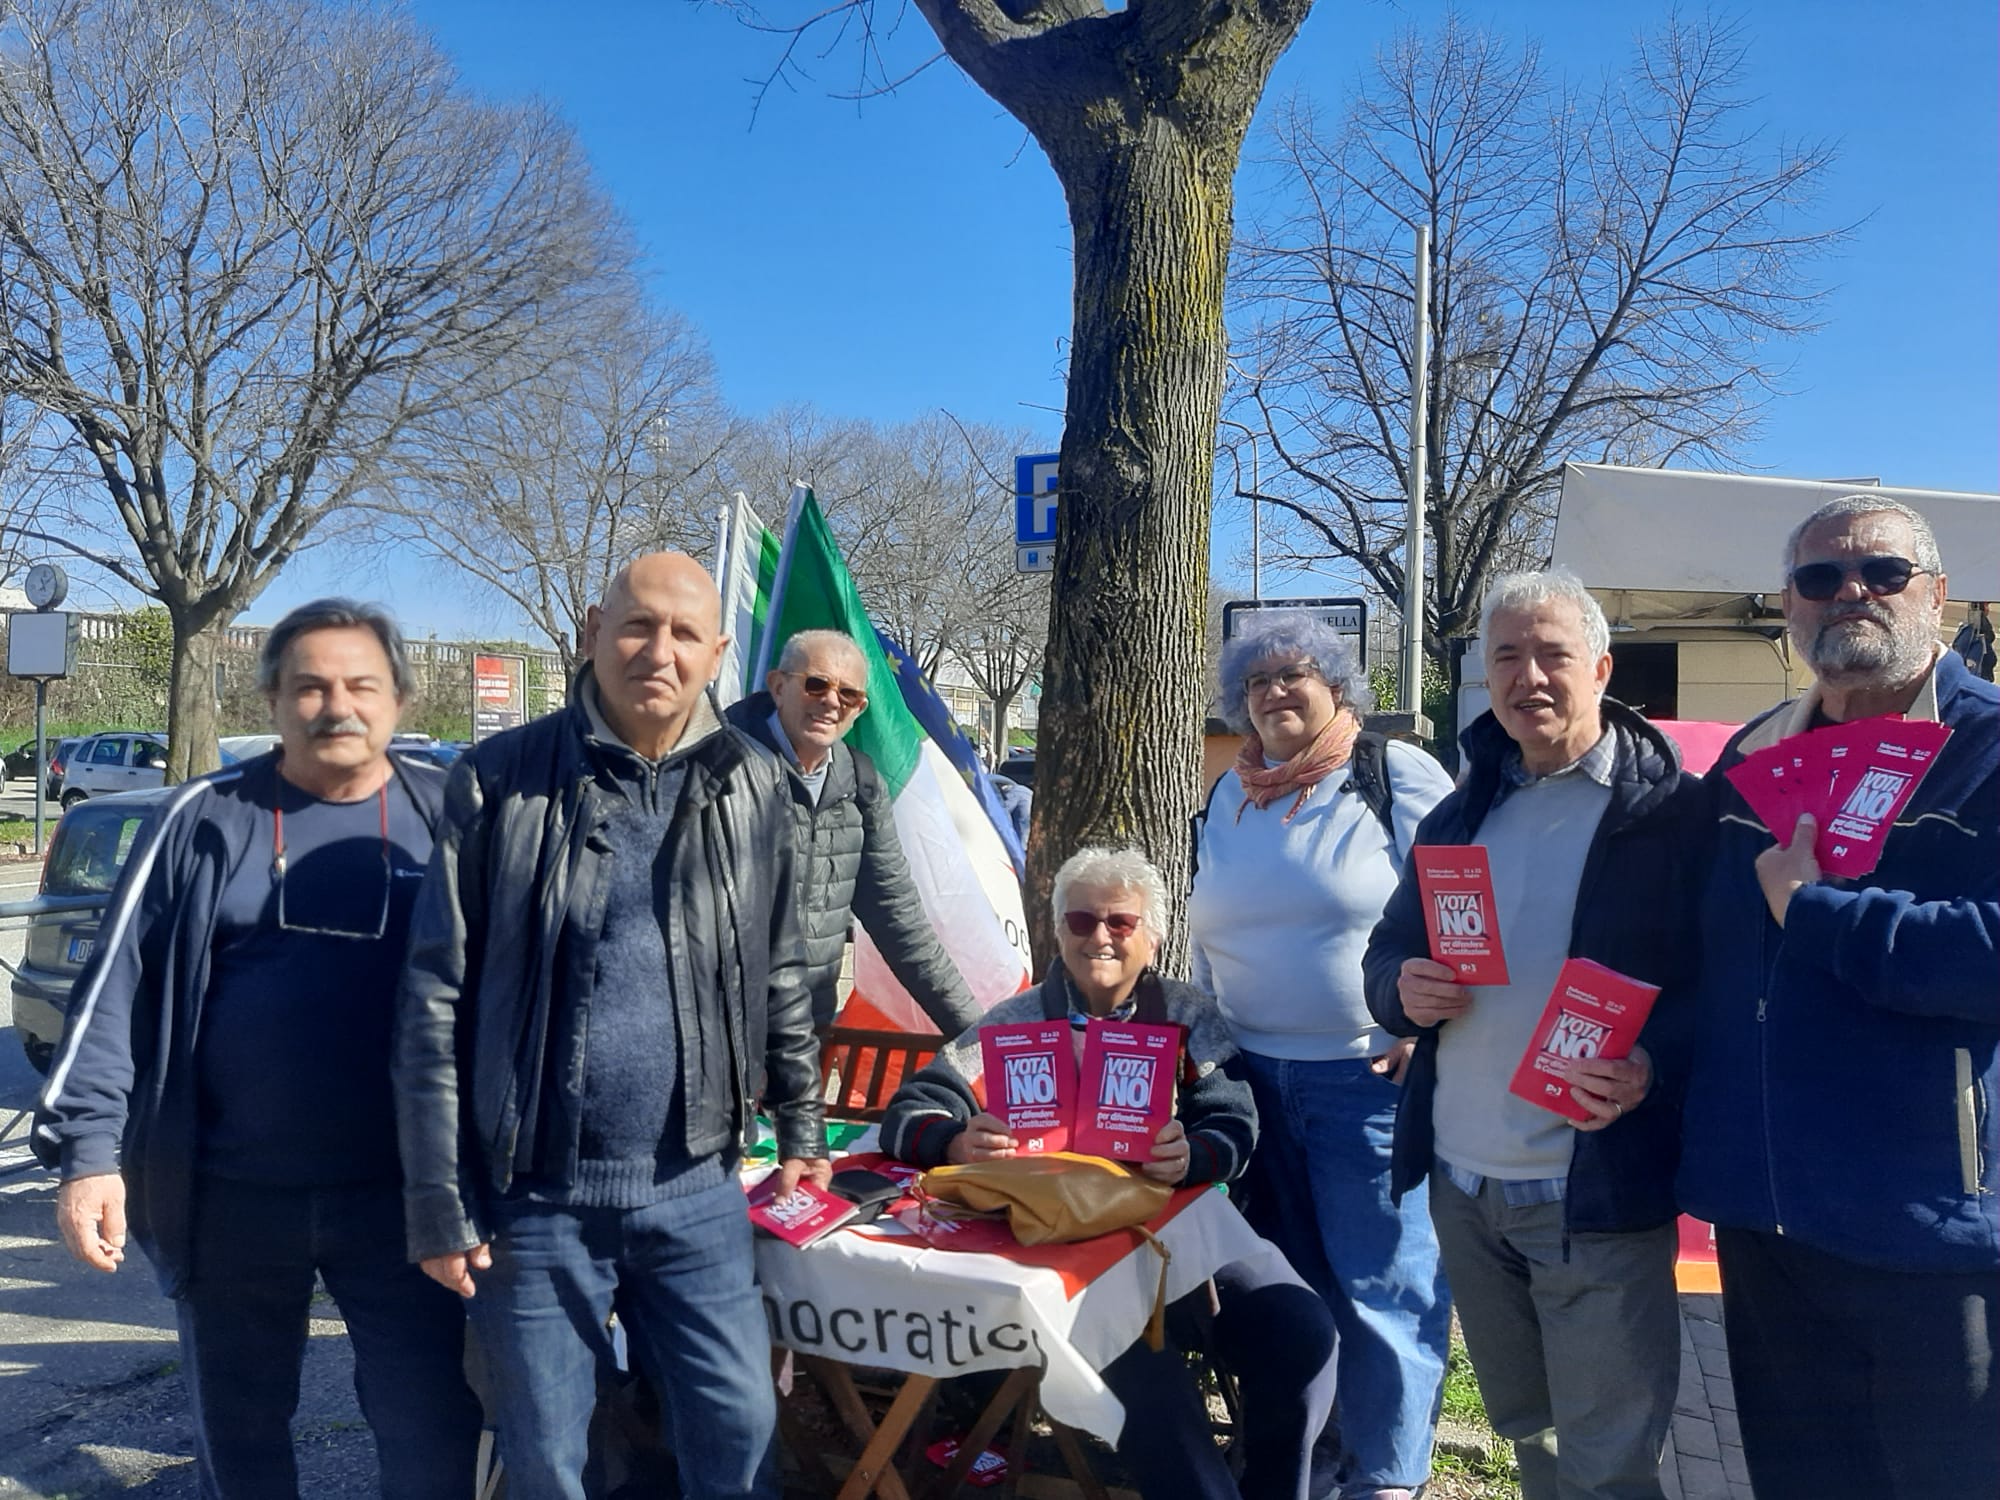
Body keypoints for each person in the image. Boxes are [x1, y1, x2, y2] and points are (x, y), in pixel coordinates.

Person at [393, 552, 828, 1500]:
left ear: (717, 654)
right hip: (537, 1196)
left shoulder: (756, 786)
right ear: (594, 629)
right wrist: (438, 1196)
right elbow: (434, 997)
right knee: (549, 1459)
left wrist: (801, 1124)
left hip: (698, 1187)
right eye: (636, 625)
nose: (656, 651)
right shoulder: (501, 779)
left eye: (683, 634)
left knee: (743, 1431)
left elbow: (783, 968)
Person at [34, 599, 482, 1499]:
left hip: (410, 1203)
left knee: (433, 1433)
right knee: (240, 1443)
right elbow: (109, 993)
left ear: (398, 697)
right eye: (309, 685)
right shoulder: (203, 819)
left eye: (361, 684)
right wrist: (88, 1156)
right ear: (272, 698)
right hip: (230, 1198)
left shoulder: (456, 816)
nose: (337, 705)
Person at [1678, 496, 1999, 1496]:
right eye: (1819, 578)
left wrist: (1822, 916)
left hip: (1928, 1229)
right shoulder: (1747, 757)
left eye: (1882, 572)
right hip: (1766, 1223)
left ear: (1937, 596)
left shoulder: (1986, 750)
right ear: (1787, 604)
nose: (1849, 593)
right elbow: (1702, 955)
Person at [1362, 569, 1706, 1500]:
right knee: (1532, 1434)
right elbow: (1388, 950)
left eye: (1553, 653)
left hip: (1592, 1194)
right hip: (1464, 1189)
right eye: (1506, 655)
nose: (1530, 676)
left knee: (1607, 1457)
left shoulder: (1676, 816)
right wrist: (1402, 987)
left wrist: (1652, 1068)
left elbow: (1726, 991)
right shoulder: (1461, 810)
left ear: (1601, 667)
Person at [882, 845, 1338, 1500]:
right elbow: (912, 1108)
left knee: (1300, 1331)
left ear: (1150, 935)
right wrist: (955, 1140)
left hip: (1190, 1243)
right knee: (1150, 1388)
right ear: (1057, 930)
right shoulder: (1014, 1021)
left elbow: (1236, 1124)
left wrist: (1195, 1155)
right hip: (1069, 1261)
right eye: (1080, 921)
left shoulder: (1187, 1015)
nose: (1100, 936)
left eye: (1120, 923)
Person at [1188, 611, 1455, 1500]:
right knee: (1301, 1293)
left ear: (1336, 684)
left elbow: (1457, 900)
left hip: (1366, 1080)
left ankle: (1387, 1475)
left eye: (1293, 674)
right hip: (1254, 1082)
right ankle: (1323, 1451)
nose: (1273, 693)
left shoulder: (1390, 774)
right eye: (1256, 682)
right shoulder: (1232, 793)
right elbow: (1204, 930)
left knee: (1386, 1287)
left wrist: (1422, 1023)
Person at [725, 628, 981, 1034]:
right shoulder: (713, 769)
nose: (831, 702)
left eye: (849, 695)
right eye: (816, 685)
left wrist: (978, 1033)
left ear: (860, 709)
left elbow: (900, 921)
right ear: (777, 686)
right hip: (710, 1043)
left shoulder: (862, 786)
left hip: (804, 1037)